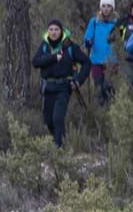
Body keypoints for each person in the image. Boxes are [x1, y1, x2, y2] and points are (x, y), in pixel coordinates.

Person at [31, 20, 90, 148]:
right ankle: (60, 142)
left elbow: (86, 63)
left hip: (64, 88)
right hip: (47, 88)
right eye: (51, 29)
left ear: (61, 31)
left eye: (56, 29)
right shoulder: (44, 46)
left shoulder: (70, 46)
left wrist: (78, 80)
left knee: (58, 118)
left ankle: (58, 150)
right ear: (48, 31)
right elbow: (35, 62)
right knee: (48, 120)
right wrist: (53, 57)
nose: (53, 32)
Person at [82, 0, 120, 106]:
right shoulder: (94, 22)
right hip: (96, 61)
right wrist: (88, 42)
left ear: (113, 8)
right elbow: (87, 37)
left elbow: (123, 39)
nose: (106, 8)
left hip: (112, 62)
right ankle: (100, 114)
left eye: (109, 6)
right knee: (98, 89)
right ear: (100, 7)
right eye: (103, 6)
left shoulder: (117, 23)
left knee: (108, 88)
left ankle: (112, 113)